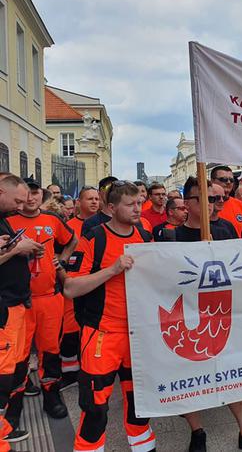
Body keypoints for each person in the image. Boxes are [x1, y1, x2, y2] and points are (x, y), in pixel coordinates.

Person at [173, 177, 242, 452]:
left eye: (216, 199)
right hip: (192, 319)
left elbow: (241, 267)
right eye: (205, 199)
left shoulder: (227, 228)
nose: (214, 204)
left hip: (226, 315)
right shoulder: (171, 236)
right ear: (187, 202)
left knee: (234, 373)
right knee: (189, 375)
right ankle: (198, 432)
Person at [63, 181, 156, 452]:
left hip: (138, 334)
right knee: (95, 406)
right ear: (112, 208)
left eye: (139, 202)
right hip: (101, 333)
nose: (138, 209)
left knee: (138, 399)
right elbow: (70, 288)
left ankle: (143, 445)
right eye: (130, 204)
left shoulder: (145, 237)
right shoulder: (94, 238)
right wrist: (111, 270)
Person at [7, 178, 77, 420]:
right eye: (26, 193)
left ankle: (52, 395)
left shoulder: (52, 220)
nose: (30, 198)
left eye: (35, 193)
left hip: (49, 297)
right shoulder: (7, 220)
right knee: (18, 354)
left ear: (41, 196)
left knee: (50, 350)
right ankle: (14, 406)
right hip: (19, 300)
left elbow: (71, 240)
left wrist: (62, 258)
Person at [0, 174, 43, 446]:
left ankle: (4, 430)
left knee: (12, 373)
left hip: (15, 306)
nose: (20, 206)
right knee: (1, 378)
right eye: (16, 200)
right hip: (3, 310)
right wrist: (16, 249)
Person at [60, 186, 100, 392]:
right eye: (89, 199)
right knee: (71, 329)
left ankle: (89, 368)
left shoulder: (104, 226)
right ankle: (70, 373)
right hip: (74, 284)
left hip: (96, 285)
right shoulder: (68, 226)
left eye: (96, 198)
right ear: (78, 203)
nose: (94, 202)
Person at [210, 166, 242, 237]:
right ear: (212, 181)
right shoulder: (205, 203)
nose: (228, 182)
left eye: (231, 180)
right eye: (223, 179)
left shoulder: (239, 204)